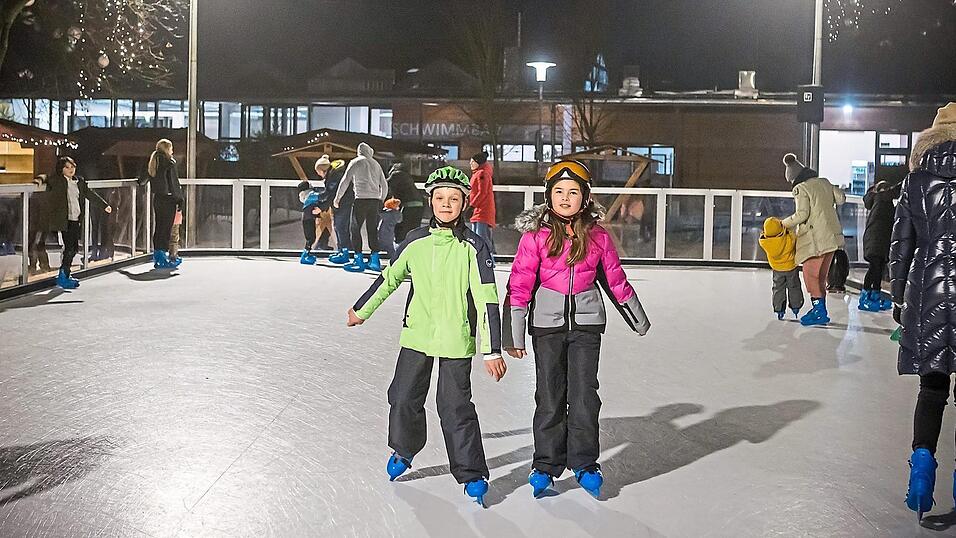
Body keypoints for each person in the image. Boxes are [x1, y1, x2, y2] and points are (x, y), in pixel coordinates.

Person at [346, 165, 505, 506]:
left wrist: (492, 350)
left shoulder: (473, 246)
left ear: (465, 204)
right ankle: (404, 449)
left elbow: (487, 298)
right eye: (440, 198)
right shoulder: (415, 241)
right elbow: (389, 278)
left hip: (455, 338)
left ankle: (471, 472)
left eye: (454, 199)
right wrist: (362, 309)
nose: (446, 204)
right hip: (417, 335)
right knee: (403, 397)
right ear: (430, 201)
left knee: (455, 407)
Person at [503, 160, 650, 499]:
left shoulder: (597, 236)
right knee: (550, 395)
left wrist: (636, 316)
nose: (565, 198)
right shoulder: (535, 236)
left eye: (573, 192)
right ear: (548, 196)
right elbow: (520, 282)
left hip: (586, 325)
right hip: (547, 326)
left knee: (584, 396)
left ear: (585, 198)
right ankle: (545, 464)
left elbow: (614, 278)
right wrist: (514, 332)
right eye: (559, 192)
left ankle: (584, 462)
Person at [889, 102, 956, 520]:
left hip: (927, 292)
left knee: (932, 389)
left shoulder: (915, 181)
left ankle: (922, 468)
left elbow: (902, 243)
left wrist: (898, 294)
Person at [780, 153, 846, 326]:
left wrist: (783, 224)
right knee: (821, 276)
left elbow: (802, 214)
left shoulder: (801, 188)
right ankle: (820, 309)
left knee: (810, 276)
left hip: (815, 239)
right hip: (832, 238)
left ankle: (819, 311)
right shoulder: (824, 182)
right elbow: (841, 199)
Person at [45, 156, 112, 289]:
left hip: (76, 219)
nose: (70, 170)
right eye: (67, 167)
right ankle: (63, 275)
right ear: (61, 169)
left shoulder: (79, 181)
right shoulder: (57, 181)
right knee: (70, 248)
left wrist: (104, 205)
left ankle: (66, 273)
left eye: (72, 167)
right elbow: (46, 179)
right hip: (64, 220)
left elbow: (90, 194)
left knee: (74, 248)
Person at [334, 142, 388, 273]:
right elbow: (384, 185)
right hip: (374, 201)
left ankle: (358, 259)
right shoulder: (376, 164)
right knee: (372, 230)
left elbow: (345, 180)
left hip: (361, 200)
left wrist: (337, 198)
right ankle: (375, 259)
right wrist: (381, 199)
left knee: (355, 228)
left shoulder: (356, 162)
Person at [858, 180, 901, 312]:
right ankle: (866, 296)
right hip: (875, 239)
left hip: (880, 240)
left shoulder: (884, 203)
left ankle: (875, 295)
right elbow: (894, 190)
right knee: (875, 268)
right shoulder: (881, 198)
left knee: (879, 267)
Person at [143, 139, 183, 270]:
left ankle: (158, 256)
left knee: (159, 228)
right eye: (171, 148)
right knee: (166, 229)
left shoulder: (153, 161)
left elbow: (143, 179)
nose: (172, 151)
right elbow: (173, 183)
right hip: (169, 200)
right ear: (167, 149)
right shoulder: (169, 163)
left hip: (158, 199)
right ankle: (163, 259)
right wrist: (179, 199)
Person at [758, 217, 804, 320]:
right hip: (791, 267)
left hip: (777, 269)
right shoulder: (788, 239)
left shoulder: (765, 242)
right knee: (794, 287)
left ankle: (779, 309)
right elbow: (794, 235)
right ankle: (796, 306)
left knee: (778, 289)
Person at [297, 155, 332, 265]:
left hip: (308, 219)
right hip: (308, 220)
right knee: (310, 238)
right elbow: (321, 196)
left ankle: (307, 253)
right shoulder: (311, 196)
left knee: (311, 237)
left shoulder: (306, 198)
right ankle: (305, 254)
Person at [387, 162, 424, 243]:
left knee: (401, 227)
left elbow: (385, 184)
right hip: (419, 204)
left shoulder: (396, 174)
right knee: (414, 230)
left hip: (409, 205)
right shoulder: (408, 176)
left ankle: (400, 249)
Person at [468, 151, 496, 254]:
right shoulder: (479, 173)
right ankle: (483, 260)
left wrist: (472, 205)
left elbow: (482, 192)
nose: (470, 164)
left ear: (478, 162)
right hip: (478, 211)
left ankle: (488, 260)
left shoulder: (482, 174)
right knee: (478, 238)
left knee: (481, 238)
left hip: (482, 211)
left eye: (472, 162)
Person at [327, 158, 352, 265]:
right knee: (341, 227)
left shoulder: (336, 177)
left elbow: (331, 192)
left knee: (340, 227)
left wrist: (324, 202)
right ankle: (343, 250)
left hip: (342, 205)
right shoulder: (341, 175)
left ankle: (344, 252)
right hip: (344, 204)